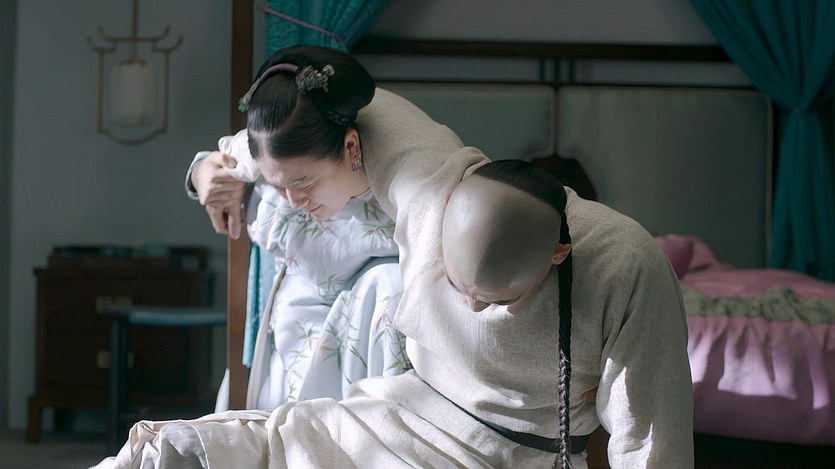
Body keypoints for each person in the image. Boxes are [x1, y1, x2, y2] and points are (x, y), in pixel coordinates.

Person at [94, 45, 694, 469]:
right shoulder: (428, 177)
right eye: (461, 289)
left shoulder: (625, 267)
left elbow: (651, 445)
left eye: (496, 298)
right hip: (409, 414)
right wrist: (213, 166)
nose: (474, 308)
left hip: (517, 453)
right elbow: (290, 133)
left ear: (559, 254)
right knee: (209, 449)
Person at [186, 45, 410, 411]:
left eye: (304, 182)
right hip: (295, 319)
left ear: (351, 147)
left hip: (371, 321)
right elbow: (216, 165)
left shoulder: (404, 189)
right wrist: (202, 174)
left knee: (390, 284)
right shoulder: (279, 185)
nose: (293, 200)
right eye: (278, 185)